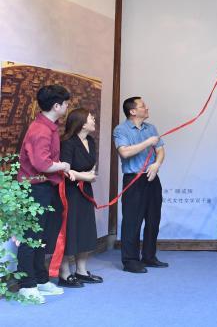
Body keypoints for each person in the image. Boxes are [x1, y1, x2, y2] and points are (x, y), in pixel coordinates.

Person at [16, 85, 78, 304]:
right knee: (31, 238)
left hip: (46, 187)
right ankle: (26, 285)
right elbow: (42, 164)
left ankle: (40, 279)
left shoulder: (49, 127)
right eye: (66, 104)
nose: (67, 107)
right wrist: (64, 165)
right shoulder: (40, 130)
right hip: (35, 189)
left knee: (42, 238)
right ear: (56, 106)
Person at [113, 97, 167, 273]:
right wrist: (147, 142)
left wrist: (157, 164)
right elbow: (124, 152)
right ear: (133, 111)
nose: (147, 107)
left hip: (152, 177)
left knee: (153, 219)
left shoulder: (151, 128)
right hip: (133, 179)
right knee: (132, 221)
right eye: (143, 106)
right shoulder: (121, 130)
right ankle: (130, 261)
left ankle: (149, 257)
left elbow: (160, 150)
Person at [55, 108, 102, 287]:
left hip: (85, 190)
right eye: (91, 118)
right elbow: (65, 170)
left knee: (85, 229)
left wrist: (85, 176)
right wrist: (85, 176)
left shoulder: (90, 140)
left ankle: (81, 271)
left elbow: (91, 167)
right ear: (82, 123)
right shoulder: (67, 142)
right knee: (69, 230)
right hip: (69, 192)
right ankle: (64, 273)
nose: (93, 120)